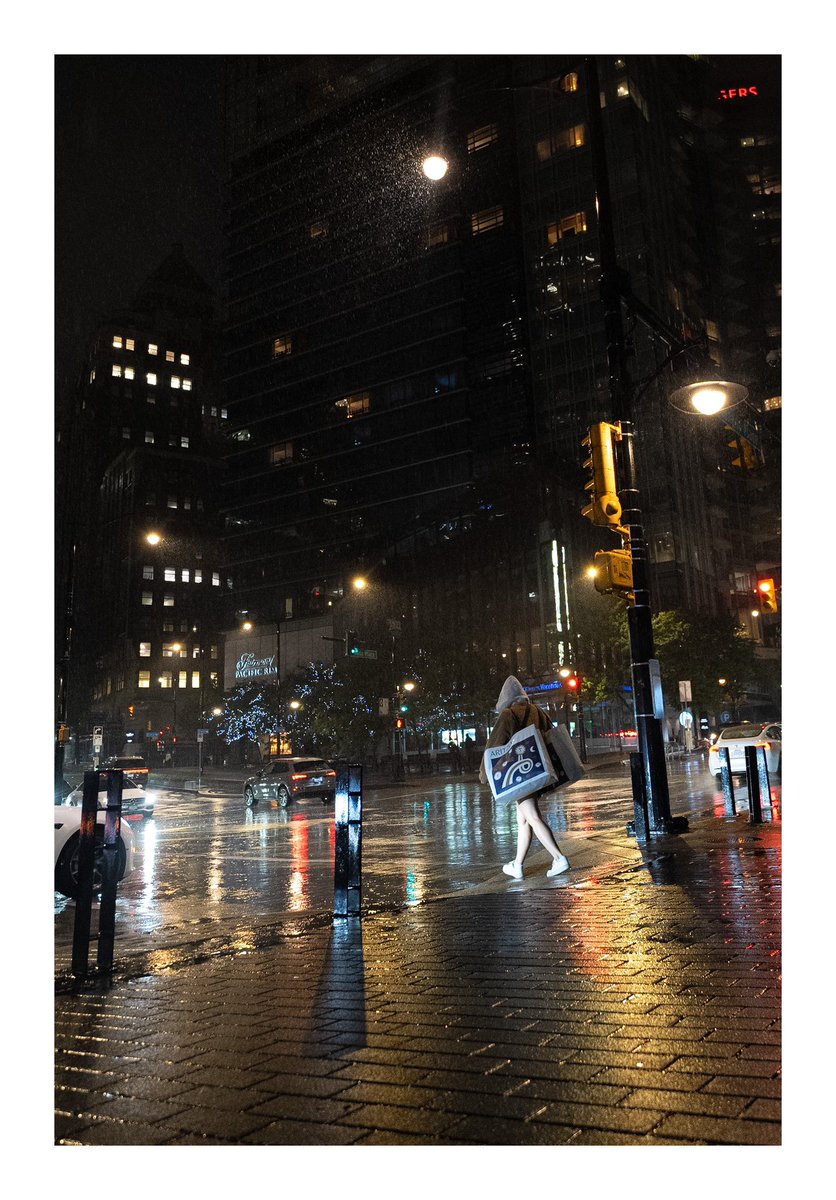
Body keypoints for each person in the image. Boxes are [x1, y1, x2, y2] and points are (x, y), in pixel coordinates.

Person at [479, 675, 570, 881]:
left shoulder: (508, 715)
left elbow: (493, 747)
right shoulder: (539, 712)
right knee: (523, 820)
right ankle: (517, 865)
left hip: (520, 774)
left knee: (533, 817)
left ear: (506, 699)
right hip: (539, 771)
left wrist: (484, 775)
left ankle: (558, 858)